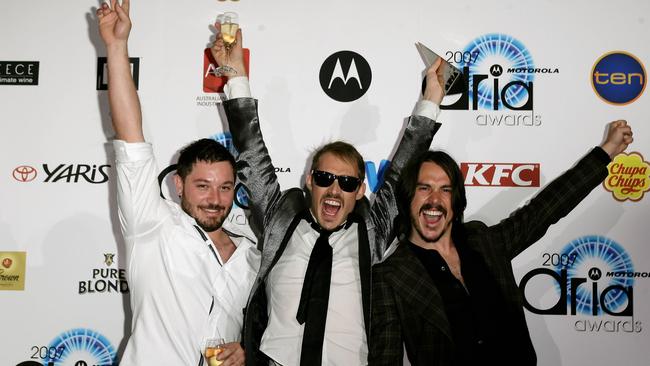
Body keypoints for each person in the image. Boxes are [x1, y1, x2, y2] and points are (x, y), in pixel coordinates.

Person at [211, 25, 446, 365]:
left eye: (347, 183)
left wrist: (432, 99)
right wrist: (235, 75)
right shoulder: (280, 219)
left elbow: (402, 170)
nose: (335, 189)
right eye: (325, 178)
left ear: (360, 191)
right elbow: (251, 153)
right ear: (309, 181)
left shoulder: (373, 231)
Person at [368, 120, 634, 365]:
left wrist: (605, 152)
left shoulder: (483, 241)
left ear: (456, 201)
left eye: (445, 189)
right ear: (407, 198)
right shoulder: (390, 275)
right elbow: (386, 359)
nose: (435, 199)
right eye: (424, 188)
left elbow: (543, 210)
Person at [96, 1, 259, 365]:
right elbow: (130, 134)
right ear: (179, 186)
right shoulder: (152, 225)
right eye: (202, 186)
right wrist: (117, 46)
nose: (215, 199)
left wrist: (245, 353)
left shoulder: (252, 253)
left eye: (225, 187)